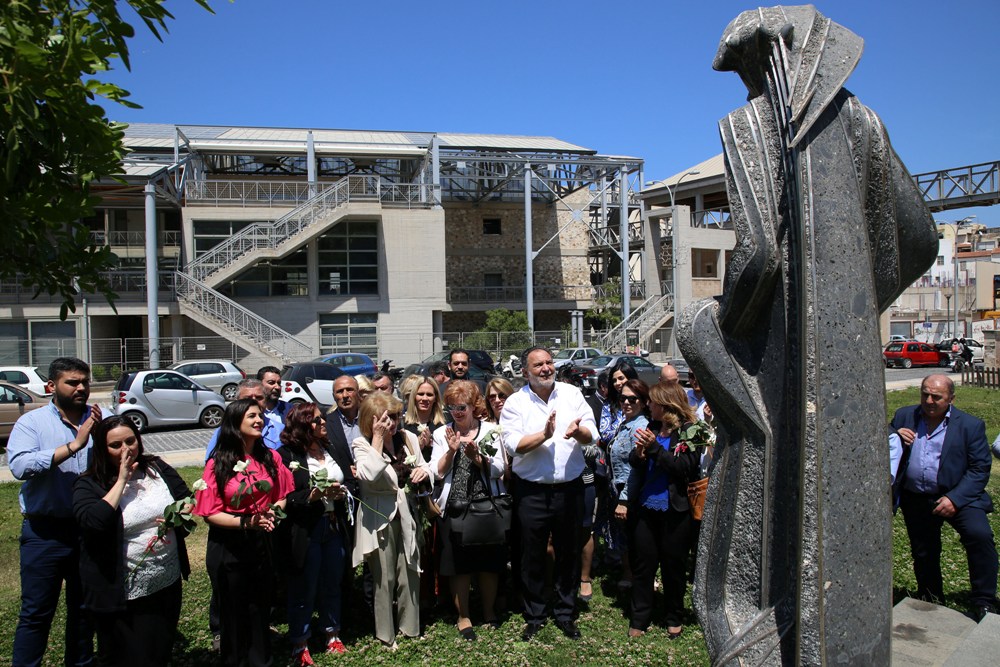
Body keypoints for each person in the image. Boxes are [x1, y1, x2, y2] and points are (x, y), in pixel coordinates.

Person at [73, 416, 192, 666]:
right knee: (127, 656)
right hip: (122, 592)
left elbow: (186, 498)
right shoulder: (89, 484)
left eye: (131, 441)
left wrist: (179, 515)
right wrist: (121, 480)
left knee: (159, 650)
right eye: (116, 445)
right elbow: (94, 523)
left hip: (164, 581)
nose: (126, 449)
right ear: (101, 449)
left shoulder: (156, 468)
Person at [501, 346, 596, 641]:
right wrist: (544, 435)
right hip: (531, 492)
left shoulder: (571, 394)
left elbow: (592, 432)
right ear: (526, 372)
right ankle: (535, 614)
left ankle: (566, 613)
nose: (546, 368)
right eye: (538, 365)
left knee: (568, 551)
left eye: (549, 362)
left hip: (569, 489)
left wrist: (577, 432)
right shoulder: (515, 403)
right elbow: (512, 444)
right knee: (531, 554)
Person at [8, 357, 99, 666]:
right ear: (51, 386)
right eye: (72, 382)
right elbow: (20, 466)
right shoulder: (31, 424)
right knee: (36, 613)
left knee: (84, 610)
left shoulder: (103, 418)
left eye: (84, 381)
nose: (81, 387)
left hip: (87, 532)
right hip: (44, 533)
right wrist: (74, 445)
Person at [193, 398, 294, 667]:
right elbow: (210, 512)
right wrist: (246, 522)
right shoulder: (219, 464)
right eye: (251, 416)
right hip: (229, 547)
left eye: (260, 415)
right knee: (234, 615)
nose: (259, 420)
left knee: (260, 610)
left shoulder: (269, 457)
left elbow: (282, 493)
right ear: (235, 423)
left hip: (261, 543)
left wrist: (274, 511)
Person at [892, 374, 999, 621]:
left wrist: (955, 499)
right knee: (923, 550)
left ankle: (984, 600)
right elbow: (885, 436)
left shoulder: (970, 426)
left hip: (959, 495)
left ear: (951, 398)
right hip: (916, 496)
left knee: (979, 536)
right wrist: (895, 433)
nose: (929, 401)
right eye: (924, 394)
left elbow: (979, 468)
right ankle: (930, 595)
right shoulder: (905, 416)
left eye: (936, 397)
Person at [352, 392, 432, 648]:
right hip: (379, 518)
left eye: (397, 416)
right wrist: (377, 438)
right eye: (388, 418)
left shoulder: (407, 438)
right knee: (384, 578)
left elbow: (424, 465)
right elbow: (367, 474)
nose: (394, 422)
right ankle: (386, 635)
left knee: (410, 570)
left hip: (407, 512)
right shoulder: (361, 444)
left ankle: (410, 628)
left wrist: (423, 470)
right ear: (372, 420)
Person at [431, 381, 506, 641]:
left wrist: (478, 458)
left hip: (486, 505)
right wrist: (451, 453)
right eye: (451, 407)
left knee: (488, 562)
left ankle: (488, 611)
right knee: (459, 566)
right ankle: (464, 617)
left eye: (461, 407)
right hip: (455, 507)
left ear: (474, 405)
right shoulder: (443, 433)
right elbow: (436, 472)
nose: (456, 412)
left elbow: (499, 469)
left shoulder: (491, 431)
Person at [277, 403, 352, 664]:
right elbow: (285, 496)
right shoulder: (287, 455)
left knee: (333, 580)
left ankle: (332, 632)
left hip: (333, 525)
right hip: (306, 529)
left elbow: (347, 478)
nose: (324, 423)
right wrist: (312, 495)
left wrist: (343, 492)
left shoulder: (328, 448)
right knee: (304, 585)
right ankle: (300, 641)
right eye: (317, 420)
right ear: (303, 424)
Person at [630, 382, 701, 638]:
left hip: (675, 509)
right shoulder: (650, 427)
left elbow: (684, 467)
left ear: (666, 404)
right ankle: (639, 619)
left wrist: (654, 449)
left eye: (652, 402)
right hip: (647, 508)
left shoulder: (692, 431)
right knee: (644, 566)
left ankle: (674, 616)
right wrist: (639, 454)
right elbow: (635, 461)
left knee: (673, 568)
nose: (648, 405)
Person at [608, 379, 651, 588]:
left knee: (636, 540)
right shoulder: (626, 423)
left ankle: (640, 579)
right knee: (625, 536)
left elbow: (636, 467)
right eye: (623, 398)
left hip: (631, 493)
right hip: (619, 488)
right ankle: (629, 575)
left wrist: (624, 500)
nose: (626, 402)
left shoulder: (640, 427)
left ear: (643, 402)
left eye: (632, 399)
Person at [204, 379, 275, 459]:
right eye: (247, 398)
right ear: (237, 401)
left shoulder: (280, 430)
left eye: (259, 398)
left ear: (266, 400)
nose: (253, 401)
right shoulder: (224, 431)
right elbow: (212, 463)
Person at [402, 376, 446, 461]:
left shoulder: (444, 425)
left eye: (429, 395)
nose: (425, 398)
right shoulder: (402, 425)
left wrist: (431, 444)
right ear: (414, 396)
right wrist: (416, 446)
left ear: (435, 398)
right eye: (420, 394)